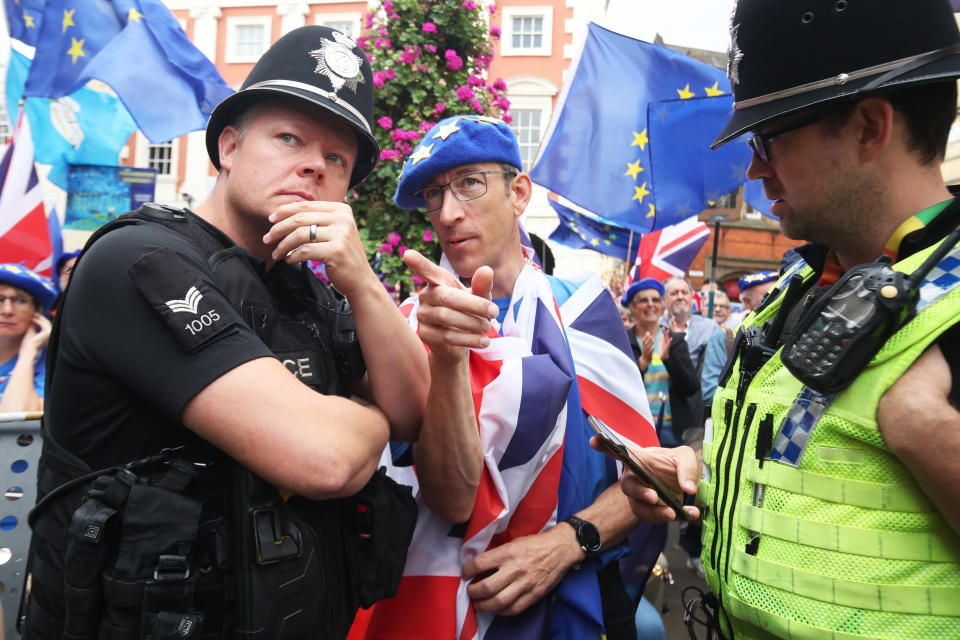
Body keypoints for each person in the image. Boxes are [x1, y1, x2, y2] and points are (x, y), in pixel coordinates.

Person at [22, 26, 428, 640]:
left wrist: (365, 285)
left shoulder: (306, 288)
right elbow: (328, 459)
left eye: (336, 158)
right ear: (230, 146)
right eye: (289, 138)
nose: (314, 164)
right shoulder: (139, 261)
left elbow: (414, 410)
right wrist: (363, 413)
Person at [619, 0, 960, 637]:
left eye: (771, 139)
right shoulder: (799, 284)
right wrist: (704, 474)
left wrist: (927, 429)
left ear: (869, 128)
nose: (754, 169)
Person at [366, 115, 696, 639]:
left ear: (518, 193)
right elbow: (444, 500)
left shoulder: (582, 310)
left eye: (469, 184)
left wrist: (566, 544)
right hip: (433, 611)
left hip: (569, 611)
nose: (449, 213)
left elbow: (641, 482)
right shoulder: (407, 327)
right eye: (433, 195)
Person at [622, 278, 699, 448]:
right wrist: (641, 365)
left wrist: (668, 360)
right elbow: (618, 388)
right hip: (636, 428)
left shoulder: (674, 340)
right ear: (633, 307)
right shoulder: (623, 341)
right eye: (644, 300)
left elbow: (691, 388)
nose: (650, 304)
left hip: (672, 432)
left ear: (662, 305)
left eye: (655, 300)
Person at [0, 264, 56, 413]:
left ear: (37, 314)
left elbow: (17, 423)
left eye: (20, 301)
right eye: (0, 299)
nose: (7, 311)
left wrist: (28, 353)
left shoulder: (53, 363)